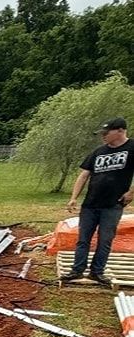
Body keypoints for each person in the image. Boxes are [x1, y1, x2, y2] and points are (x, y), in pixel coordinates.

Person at [61, 117, 134, 285]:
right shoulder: (98, 151)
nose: (103, 136)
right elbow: (84, 175)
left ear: (120, 131)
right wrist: (73, 198)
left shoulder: (132, 148)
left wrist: (131, 193)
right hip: (90, 204)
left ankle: (97, 272)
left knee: (105, 239)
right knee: (83, 239)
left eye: (106, 133)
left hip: (112, 205)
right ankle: (77, 270)